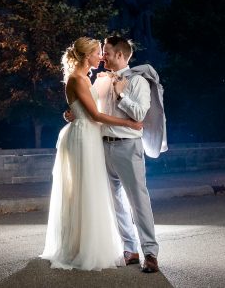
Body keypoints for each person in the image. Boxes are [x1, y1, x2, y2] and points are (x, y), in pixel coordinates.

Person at [40, 37, 143, 271]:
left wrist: (74, 112)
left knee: (93, 190)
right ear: (88, 56)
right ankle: (82, 248)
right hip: (84, 137)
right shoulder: (77, 79)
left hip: (90, 136)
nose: (102, 56)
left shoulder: (86, 78)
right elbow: (95, 116)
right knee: (84, 191)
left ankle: (92, 243)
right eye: (98, 53)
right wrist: (129, 123)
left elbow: (86, 110)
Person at [81, 35, 168, 274]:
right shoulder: (101, 80)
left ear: (120, 55)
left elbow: (139, 115)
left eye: (107, 52)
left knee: (138, 201)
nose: (103, 56)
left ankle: (150, 253)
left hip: (128, 146)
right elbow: (91, 112)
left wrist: (121, 94)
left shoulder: (138, 81)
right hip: (102, 146)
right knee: (116, 201)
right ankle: (130, 249)